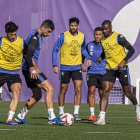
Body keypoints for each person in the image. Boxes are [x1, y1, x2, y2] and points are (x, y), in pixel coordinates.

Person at [15, 20, 62, 125]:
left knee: (37, 95)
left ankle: (20, 116)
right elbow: (28, 54)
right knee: (49, 88)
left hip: (27, 68)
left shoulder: (34, 34)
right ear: (43, 27)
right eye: (48, 31)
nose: (49, 34)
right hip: (29, 69)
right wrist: (33, 68)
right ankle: (51, 117)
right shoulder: (35, 37)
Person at [94, 20, 140, 125]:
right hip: (109, 68)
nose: (104, 31)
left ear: (111, 27)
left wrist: (123, 61)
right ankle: (102, 118)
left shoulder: (118, 37)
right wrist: (101, 57)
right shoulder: (103, 40)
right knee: (105, 91)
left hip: (122, 68)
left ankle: (137, 106)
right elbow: (106, 51)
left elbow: (131, 50)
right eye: (103, 29)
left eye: (106, 29)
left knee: (127, 92)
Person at [52, 17, 92, 121]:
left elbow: (82, 49)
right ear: (69, 25)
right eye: (71, 25)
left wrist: (87, 57)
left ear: (78, 26)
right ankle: (61, 112)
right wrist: (54, 65)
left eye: (75, 25)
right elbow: (55, 50)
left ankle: (76, 113)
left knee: (78, 88)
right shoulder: (63, 36)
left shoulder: (82, 36)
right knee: (63, 89)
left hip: (76, 67)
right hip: (65, 67)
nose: (73, 27)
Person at [0, 21, 27, 126]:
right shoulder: (1, 41)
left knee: (17, 91)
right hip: (1, 71)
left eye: (14, 34)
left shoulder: (22, 42)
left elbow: (27, 56)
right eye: (10, 34)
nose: (13, 36)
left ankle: (10, 119)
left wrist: (33, 68)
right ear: (6, 33)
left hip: (14, 73)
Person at [85, 27, 106, 121]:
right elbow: (83, 55)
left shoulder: (106, 45)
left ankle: (101, 114)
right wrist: (82, 64)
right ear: (94, 35)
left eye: (99, 34)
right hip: (92, 72)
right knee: (92, 91)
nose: (98, 36)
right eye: (96, 34)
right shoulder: (89, 45)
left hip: (103, 72)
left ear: (102, 35)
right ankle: (92, 114)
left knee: (102, 94)